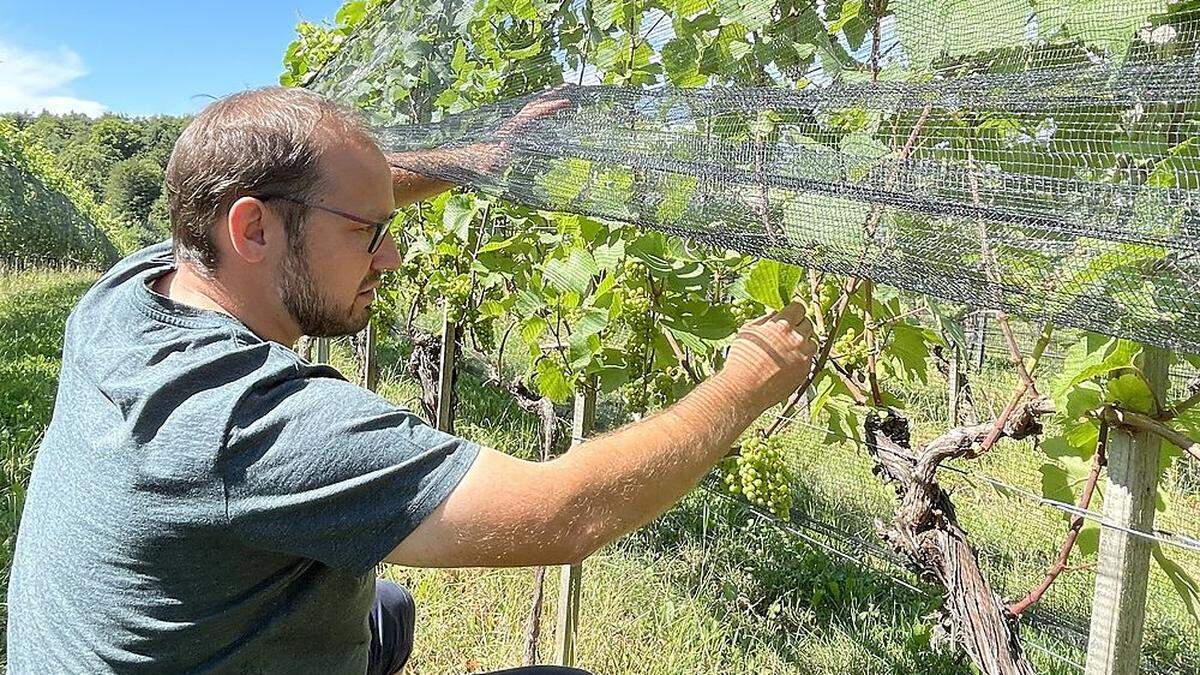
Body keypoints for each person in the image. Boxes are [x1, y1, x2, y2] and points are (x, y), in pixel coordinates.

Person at [6, 86, 816, 674]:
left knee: (384, 609)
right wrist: (749, 378)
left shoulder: (133, 287)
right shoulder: (253, 426)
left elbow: (332, 193)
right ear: (251, 227)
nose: (392, 255)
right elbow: (564, 515)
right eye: (370, 232)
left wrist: (481, 158)